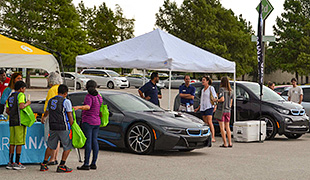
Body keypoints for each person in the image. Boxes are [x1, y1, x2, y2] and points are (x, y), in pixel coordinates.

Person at [40, 84, 74, 173]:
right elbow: (69, 114)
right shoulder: (66, 101)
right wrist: (72, 125)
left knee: (50, 146)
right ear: (65, 93)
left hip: (53, 126)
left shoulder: (51, 100)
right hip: (63, 126)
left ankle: (44, 164)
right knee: (67, 146)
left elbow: (47, 112)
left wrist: (43, 118)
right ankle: (62, 165)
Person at [74, 80, 102, 170]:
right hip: (97, 121)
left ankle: (86, 164)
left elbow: (88, 107)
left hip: (88, 121)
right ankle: (94, 163)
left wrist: (78, 107)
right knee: (95, 141)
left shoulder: (89, 97)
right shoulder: (99, 97)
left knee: (88, 142)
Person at [5, 81, 30, 170]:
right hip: (20, 121)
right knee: (19, 142)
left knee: (12, 142)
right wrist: (28, 103)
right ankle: (17, 162)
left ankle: (10, 162)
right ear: (21, 88)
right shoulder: (21, 95)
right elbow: (22, 106)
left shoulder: (10, 96)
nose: (24, 91)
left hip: (12, 121)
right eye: (24, 89)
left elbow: (7, 110)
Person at [43, 72, 62, 165]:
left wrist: (44, 116)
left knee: (50, 138)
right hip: (59, 116)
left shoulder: (52, 90)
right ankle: (55, 157)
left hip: (51, 117)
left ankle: (51, 159)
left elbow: (49, 105)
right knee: (57, 139)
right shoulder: (61, 88)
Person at [194, 76, 217, 142]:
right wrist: (198, 108)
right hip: (203, 107)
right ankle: (207, 135)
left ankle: (213, 136)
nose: (202, 81)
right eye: (202, 80)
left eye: (204, 80)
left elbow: (215, 97)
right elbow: (202, 100)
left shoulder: (211, 88)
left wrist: (215, 106)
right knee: (205, 122)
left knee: (210, 122)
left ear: (207, 81)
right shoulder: (202, 90)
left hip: (209, 106)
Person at [215, 77, 233, 148]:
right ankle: (230, 142)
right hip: (228, 110)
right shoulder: (231, 91)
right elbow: (231, 102)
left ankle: (225, 143)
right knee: (227, 127)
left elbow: (222, 99)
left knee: (222, 127)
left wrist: (216, 100)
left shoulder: (222, 90)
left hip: (222, 110)